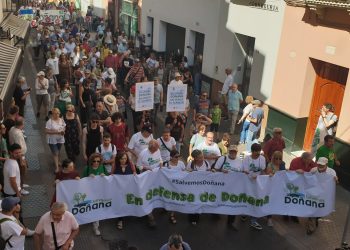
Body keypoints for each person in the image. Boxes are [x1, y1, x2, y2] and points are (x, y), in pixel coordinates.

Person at [213, 145, 243, 229]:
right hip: (222, 185)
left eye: (234, 151)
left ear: (236, 152)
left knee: (232, 202)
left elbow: (243, 173)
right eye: (231, 151)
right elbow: (215, 169)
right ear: (228, 151)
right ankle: (215, 213)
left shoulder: (240, 161)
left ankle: (231, 222)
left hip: (234, 187)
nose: (233, 153)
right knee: (219, 199)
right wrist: (221, 170)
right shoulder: (222, 158)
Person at [81, 153, 109, 235]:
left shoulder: (102, 167)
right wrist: (88, 177)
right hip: (89, 192)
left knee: (97, 208)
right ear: (91, 161)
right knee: (90, 207)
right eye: (94, 161)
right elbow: (82, 181)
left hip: (99, 192)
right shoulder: (87, 168)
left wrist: (105, 176)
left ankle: (95, 226)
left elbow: (108, 178)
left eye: (98, 161)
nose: (96, 162)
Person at [242, 143, 266, 230]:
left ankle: (253, 220)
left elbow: (263, 170)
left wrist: (263, 180)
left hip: (258, 183)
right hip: (248, 182)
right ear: (252, 151)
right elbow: (245, 170)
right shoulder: (246, 159)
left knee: (256, 200)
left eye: (259, 151)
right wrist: (249, 174)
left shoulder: (262, 158)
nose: (258, 153)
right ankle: (244, 213)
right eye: (256, 151)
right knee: (247, 198)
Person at [186, 150, 210, 225]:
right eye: (200, 157)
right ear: (195, 158)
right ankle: (192, 217)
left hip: (202, 187)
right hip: (193, 187)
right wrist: (188, 172)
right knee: (192, 201)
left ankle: (197, 216)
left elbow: (209, 174)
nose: (202, 158)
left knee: (199, 201)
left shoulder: (206, 163)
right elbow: (186, 175)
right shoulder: (190, 164)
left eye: (202, 156)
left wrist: (212, 171)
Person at [113, 152, 136, 230]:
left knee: (128, 202)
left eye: (125, 158)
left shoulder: (131, 164)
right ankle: (120, 220)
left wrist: (135, 174)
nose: (124, 160)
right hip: (118, 190)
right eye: (122, 159)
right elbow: (111, 175)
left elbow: (134, 173)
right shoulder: (115, 165)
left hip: (128, 189)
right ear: (118, 159)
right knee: (120, 203)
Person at [265, 151, 286, 227]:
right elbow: (268, 174)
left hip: (279, 187)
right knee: (270, 202)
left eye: (279, 159)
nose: (278, 160)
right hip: (271, 186)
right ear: (273, 158)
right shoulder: (270, 165)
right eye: (276, 158)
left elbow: (284, 174)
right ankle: (269, 218)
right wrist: (270, 174)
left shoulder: (282, 164)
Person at [8, 118, 29, 195]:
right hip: (20, 156)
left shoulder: (12, 129)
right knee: (21, 172)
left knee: (21, 172)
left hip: (15, 155)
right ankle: (21, 188)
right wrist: (21, 159)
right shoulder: (18, 134)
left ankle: (22, 185)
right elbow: (19, 149)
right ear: (22, 124)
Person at [45, 108, 66, 173]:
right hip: (52, 140)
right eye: (55, 113)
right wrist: (56, 132)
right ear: (52, 114)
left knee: (58, 150)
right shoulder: (49, 122)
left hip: (60, 139)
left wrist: (63, 131)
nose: (57, 115)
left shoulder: (61, 120)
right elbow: (46, 131)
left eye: (58, 113)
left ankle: (57, 161)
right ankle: (57, 168)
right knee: (55, 153)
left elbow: (64, 126)